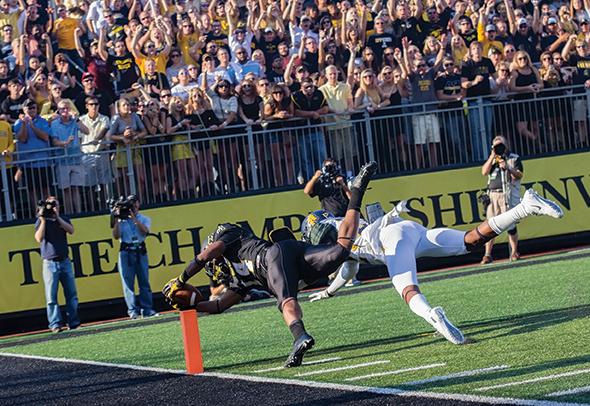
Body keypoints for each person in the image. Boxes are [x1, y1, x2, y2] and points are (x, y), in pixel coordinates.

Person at [163, 161, 377, 367]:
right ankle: (357, 191)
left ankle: (299, 336)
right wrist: (192, 306)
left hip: (272, 256)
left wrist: (182, 278)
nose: (216, 268)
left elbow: (209, 253)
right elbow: (219, 305)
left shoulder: (227, 235)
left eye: (215, 263)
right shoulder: (240, 282)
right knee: (341, 251)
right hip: (292, 258)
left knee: (285, 298)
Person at [306, 187, 564, 344]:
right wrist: (329, 291)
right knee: (469, 240)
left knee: (408, 292)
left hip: (390, 242)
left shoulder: (334, 233)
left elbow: (341, 256)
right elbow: (349, 269)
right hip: (408, 230)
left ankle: (433, 316)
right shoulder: (342, 225)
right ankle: (525, 206)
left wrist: (325, 286)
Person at [34, 196, 80, 333]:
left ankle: (74, 322)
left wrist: (57, 217)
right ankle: (55, 324)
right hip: (50, 262)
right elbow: (38, 238)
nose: (53, 206)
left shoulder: (63, 218)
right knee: (51, 297)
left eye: (56, 204)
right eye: (50, 204)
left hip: (65, 260)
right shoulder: (42, 220)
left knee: (71, 294)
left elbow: (71, 230)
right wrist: (43, 219)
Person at [111, 195, 158, 319]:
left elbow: (145, 232)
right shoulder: (121, 220)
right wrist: (116, 218)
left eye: (134, 203)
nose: (132, 206)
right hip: (126, 252)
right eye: (129, 204)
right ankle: (132, 311)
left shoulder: (144, 218)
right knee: (128, 284)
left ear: (138, 203)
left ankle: (147, 309)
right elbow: (116, 236)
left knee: (144, 282)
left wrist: (134, 218)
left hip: (140, 251)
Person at [481, 136, 523, 264]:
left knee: (511, 224)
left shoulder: (513, 158)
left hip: (507, 193)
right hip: (493, 195)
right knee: (490, 225)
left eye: (500, 145)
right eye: (495, 145)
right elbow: (484, 172)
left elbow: (519, 174)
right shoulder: (493, 159)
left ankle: (514, 251)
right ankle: (487, 254)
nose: (498, 147)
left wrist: (508, 167)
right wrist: (492, 156)